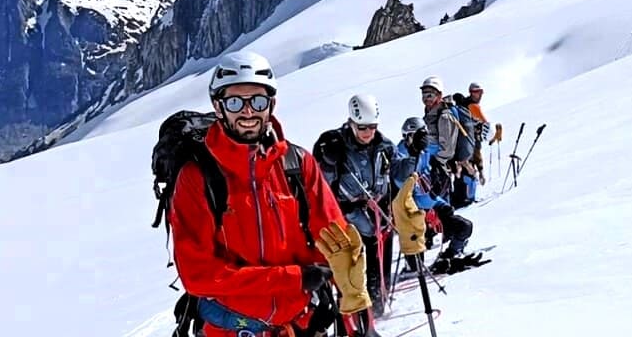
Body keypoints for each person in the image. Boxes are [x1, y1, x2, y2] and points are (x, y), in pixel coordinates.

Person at [167, 51, 377, 337]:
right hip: (232, 329)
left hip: (301, 325)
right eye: (234, 102)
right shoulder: (198, 176)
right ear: (218, 107)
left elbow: (335, 241)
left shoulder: (297, 165)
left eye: (258, 100)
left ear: (271, 104)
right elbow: (199, 275)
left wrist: (355, 302)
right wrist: (296, 278)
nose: (248, 111)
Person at [312, 94, 397, 317]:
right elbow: (320, 186)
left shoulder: (385, 146)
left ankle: (378, 301)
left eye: (372, 126)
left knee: (380, 260)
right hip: (348, 219)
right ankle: (358, 312)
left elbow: (395, 178)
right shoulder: (335, 145)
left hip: (378, 214)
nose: (368, 132)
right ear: (351, 123)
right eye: (361, 127)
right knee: (355, 267)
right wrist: (327, 161)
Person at [391, 116, 473, 271]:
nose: (423, 139)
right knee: (416, 256)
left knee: (464, 227)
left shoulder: (426, 150)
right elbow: (406, 190)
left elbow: (447, 150)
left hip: (430, 203)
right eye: (419, 135)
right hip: (411, 212)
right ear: (408, 136)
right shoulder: (401, 155)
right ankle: (412, 267)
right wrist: (433, 197)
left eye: (424, 135)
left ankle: (451, 254)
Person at [463, 82, 504, 182]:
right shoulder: (473, 106)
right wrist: (494, 136)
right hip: (469, 144)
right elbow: (486, 125)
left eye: (481, 92)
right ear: (471, 92)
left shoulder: (466, 105)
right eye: (477, 92)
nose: (480, 95)